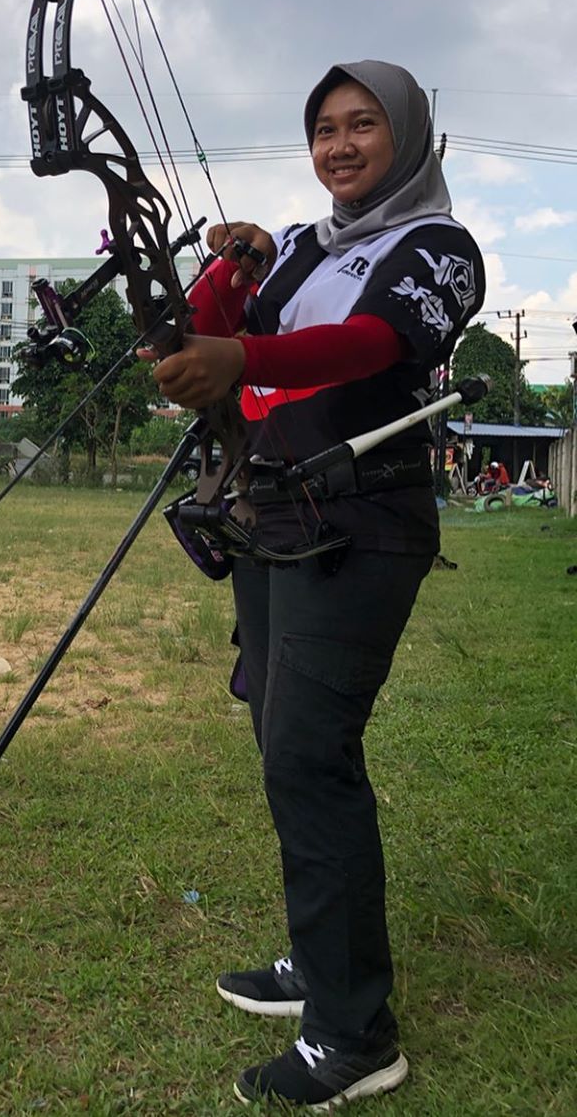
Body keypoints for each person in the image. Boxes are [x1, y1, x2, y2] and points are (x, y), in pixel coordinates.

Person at [148, 61, 485, 1107]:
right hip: (271, 514)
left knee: (309, 751)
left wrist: (242, 349)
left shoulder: (437, 248)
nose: (339, 146)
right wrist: (228, 275)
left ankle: (355, 1035)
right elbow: (193, 333)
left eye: (362, 125)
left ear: (409, 136)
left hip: (363, 522)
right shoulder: (299, 247)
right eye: (324, 129)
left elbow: (368, 345)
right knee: (280, 739)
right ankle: (323, 963)